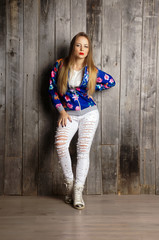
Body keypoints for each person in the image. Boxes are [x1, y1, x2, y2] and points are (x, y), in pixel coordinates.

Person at [48, 32, 116, 210]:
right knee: (60, 145)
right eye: (78, 45)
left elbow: (111, 81)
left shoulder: (91, 69)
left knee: (83, 149)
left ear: (88, 50)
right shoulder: (60, 65)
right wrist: (61, 111)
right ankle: (70, 185)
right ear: (73, 47)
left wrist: (91, 88)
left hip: (89, 113)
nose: (82, 49)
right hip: (68, 113)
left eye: (85, 46)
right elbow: (52, 90)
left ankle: (78, 192)